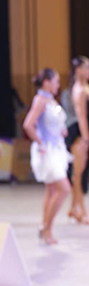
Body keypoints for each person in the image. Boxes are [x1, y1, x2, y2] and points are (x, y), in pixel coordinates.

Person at [23, 68, 71, 245]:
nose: (58, 84)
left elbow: (51, 122)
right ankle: (46, 227)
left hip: (57, 148)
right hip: (48, 151)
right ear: (46, 82)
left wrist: (61, 130)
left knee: (51, 190)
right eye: (56, 81)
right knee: (64, 189)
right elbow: (28, 125)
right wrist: (41, 142)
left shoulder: (49, 99)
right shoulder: (41, 100)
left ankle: (46, 228)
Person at [63, 56, 89, 222]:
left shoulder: (85, 87)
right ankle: (83, 211)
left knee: (80, 172)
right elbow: (81, 116)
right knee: (78, 174)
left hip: (83, 132)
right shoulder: (78, 89)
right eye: (86, 67)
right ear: (78, 70)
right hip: (79, 133)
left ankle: (73, 208)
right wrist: (85, 137)